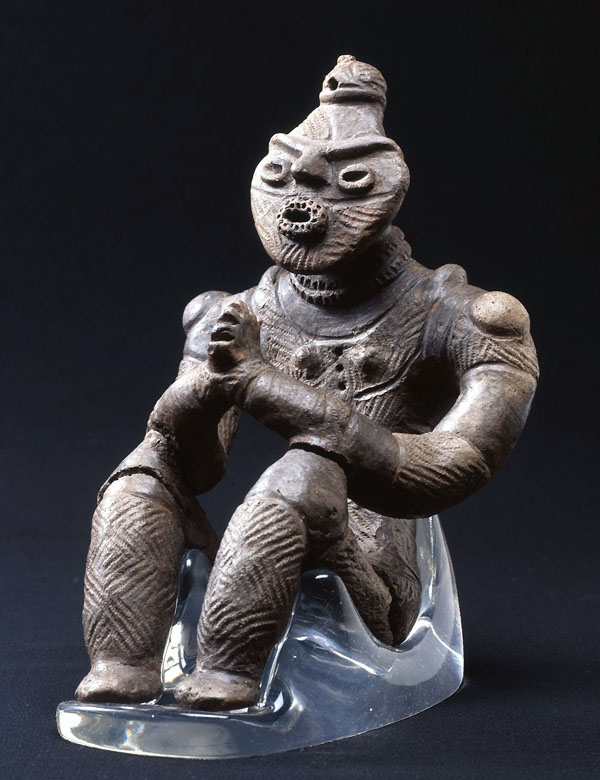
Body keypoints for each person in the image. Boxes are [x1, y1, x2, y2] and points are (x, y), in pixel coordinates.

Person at [76, 56, 538, 710]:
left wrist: (264, 385)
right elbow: (195, 462)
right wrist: (203, 389)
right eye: (285, 177)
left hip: (376, 578)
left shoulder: (464, 317)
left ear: (380, 187)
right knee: (142, 477)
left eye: (344, 181)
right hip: (254, 561)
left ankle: (230, 677)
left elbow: (454, 464)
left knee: (307, 472)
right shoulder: (238, 313)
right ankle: (122, 666)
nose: (301, 203)